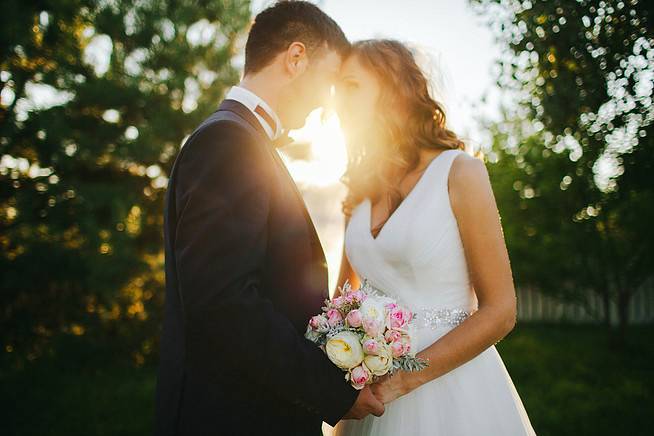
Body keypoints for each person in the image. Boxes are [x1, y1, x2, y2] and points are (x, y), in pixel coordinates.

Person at [153, 3, 384, 435]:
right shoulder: (230, 141)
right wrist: (331, 389)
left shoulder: (238, 138)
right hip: (233, 418)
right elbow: (224, 302)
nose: (329, 103)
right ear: (296, 58)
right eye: (330, 80)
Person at [332, 39, 537, 435]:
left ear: (392, 89)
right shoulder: (357, 191)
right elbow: (346, 296)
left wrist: (401, 381)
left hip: (452, 389)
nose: (338, 99)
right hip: (368, 397)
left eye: (351, 85)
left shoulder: (459, 172)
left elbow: (501, 310)